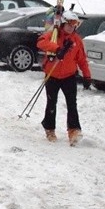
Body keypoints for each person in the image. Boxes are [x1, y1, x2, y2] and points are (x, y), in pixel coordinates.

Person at [35, 10, 92, 145]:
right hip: (52, 75)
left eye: (74, 25)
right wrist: (56, 49)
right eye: (69, 24)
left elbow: (82, 60)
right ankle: (49, 128)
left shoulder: (76, 40)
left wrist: (87, 75)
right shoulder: (54, 34)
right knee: (51, 103)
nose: (71, 27)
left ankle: (74, 130)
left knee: (72, 104)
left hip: (69, 76)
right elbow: (40, 42)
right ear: (63, 23)